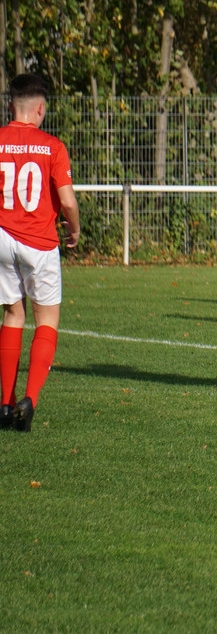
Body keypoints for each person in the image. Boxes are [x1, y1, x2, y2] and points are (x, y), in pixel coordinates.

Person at [0, 73, 80, 432]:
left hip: (2, 238)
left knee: (12, 314)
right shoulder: (53, 146)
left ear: (10, 106)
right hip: (40, 242)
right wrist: (74, 228)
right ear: (41, 109)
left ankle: (5, 404)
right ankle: (29, 399)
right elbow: (67, 201)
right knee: (46, 320)